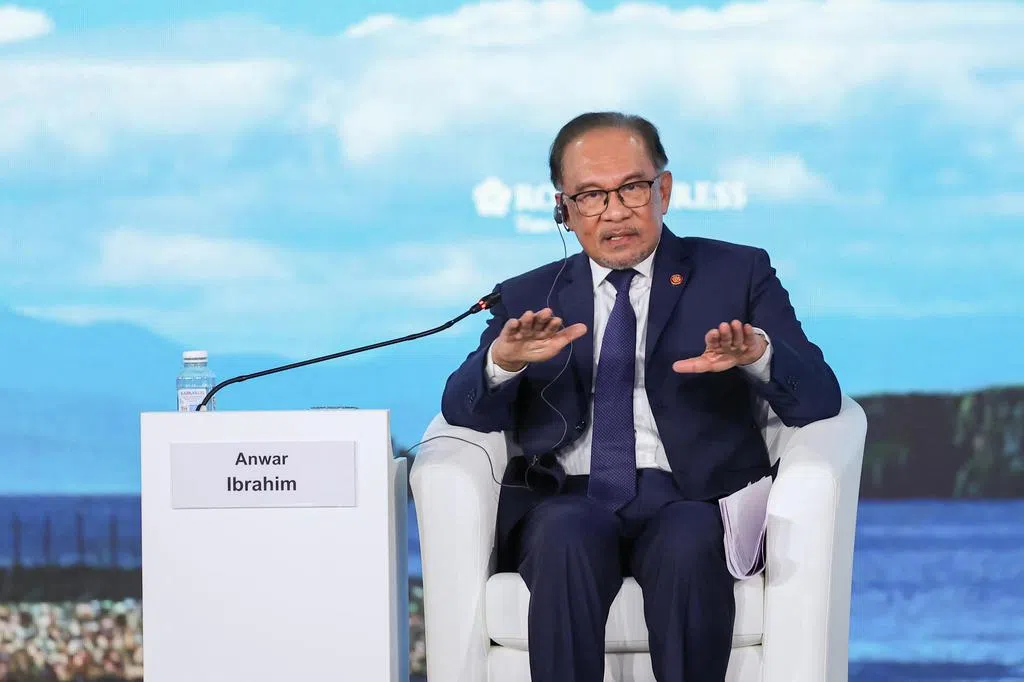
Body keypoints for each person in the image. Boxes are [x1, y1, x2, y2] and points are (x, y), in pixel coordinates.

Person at [440, 112, 842, 682]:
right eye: (590, 196)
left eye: (632, 187)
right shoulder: (529, 295)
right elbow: (462, 410)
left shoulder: (736, 272)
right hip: (568, 498)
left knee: (688, 542)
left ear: (664, 191)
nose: (615, 211)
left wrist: (758, 355)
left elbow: (820, 399)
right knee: (564, 535)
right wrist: (502, 362)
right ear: (564, 210)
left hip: (693, 496)